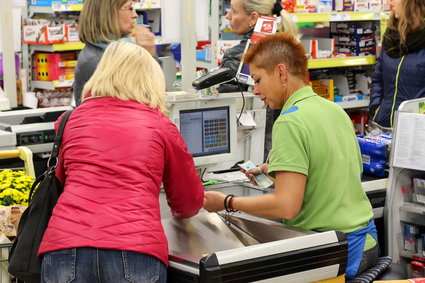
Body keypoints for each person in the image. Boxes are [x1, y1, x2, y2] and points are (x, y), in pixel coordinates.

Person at [203, 33, 379, 280]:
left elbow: (286, 206)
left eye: (258, 80)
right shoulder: (333, 109)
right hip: (367, 243)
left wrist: (227, 202)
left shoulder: (289, 121)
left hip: (336, 254)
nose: (256, 90)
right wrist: (272, 169)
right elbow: (329, 168)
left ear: (281, 73)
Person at [38, 41, 204, 283]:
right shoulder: (159, 125)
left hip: (65, 248)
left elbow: (63, 179)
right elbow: (188, 201)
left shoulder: (71, 120)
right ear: (150, 81)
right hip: (135, 249)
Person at [73, 0, 157, 106]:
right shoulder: (97, 61)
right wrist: (148, 59)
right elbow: (149, 101)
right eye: (129, 8)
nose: (135, 15)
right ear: (108, 13)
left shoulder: (123, 49)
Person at [218, 0, 298, 93]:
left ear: (253, 17)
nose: (228, 16)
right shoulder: (289, 47)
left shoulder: (236, 55)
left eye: (234, 10)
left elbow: (229, 103)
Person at [370, 0, 425, 128]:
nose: (392, 2)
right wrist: (377, 107)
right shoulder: (391, 36)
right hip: (384, 125)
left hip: (416, 128)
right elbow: (378, 77)